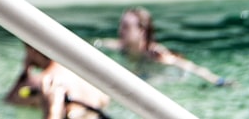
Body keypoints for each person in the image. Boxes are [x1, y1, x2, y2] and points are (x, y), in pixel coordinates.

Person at [95, 7, 230, 86]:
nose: (120, 31)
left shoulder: (156, 53)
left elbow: (190, 67)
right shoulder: (117, 47)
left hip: (164, 78)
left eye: (126, 27)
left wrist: (217, 80)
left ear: (142, 31)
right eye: (121, 25)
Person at [4, 43, 111, 119]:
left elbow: (9, 101)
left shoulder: (44, 81)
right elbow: (104, 100)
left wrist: (24, 73)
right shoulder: (90, 77)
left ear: (32, 48)